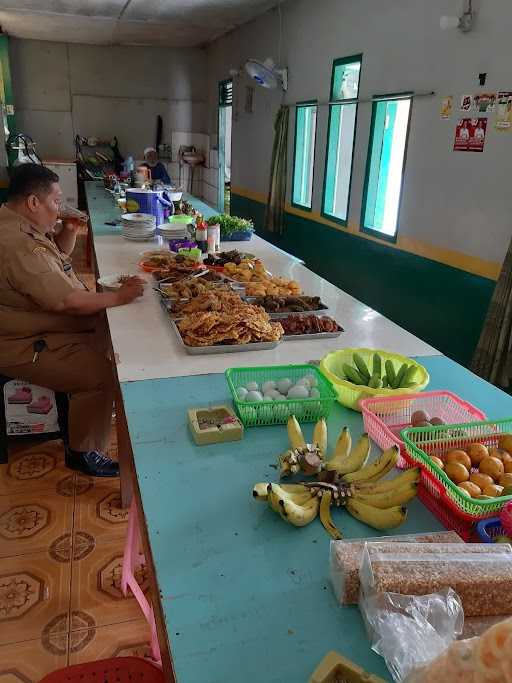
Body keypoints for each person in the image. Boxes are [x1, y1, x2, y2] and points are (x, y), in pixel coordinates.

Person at [0, 164, 145, 477]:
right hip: (19, 343)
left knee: (107, 329)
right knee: (102, 376)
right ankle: (83, 452)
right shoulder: (17, 244)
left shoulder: (18, 223)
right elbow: (66, 300)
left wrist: (68, 229)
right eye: (55, 202)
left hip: (39, 325)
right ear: (32, 203)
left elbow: (56, 263)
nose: (59, 209)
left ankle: (85, 412)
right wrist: (121, 296)